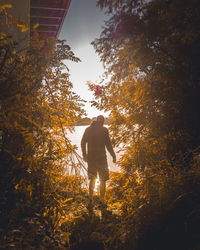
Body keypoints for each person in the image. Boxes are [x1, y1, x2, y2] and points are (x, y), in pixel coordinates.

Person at [81, 115, 116, 200]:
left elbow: (83, 142)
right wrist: (113, 156)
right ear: (102, 121)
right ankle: (101, 201)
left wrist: (84, 155)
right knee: (102, 180)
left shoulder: (89, 129)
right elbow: (108, 145)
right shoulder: (103, 130)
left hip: (92, 159)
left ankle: (91, 200)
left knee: (93, 179)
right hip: (101, 159)